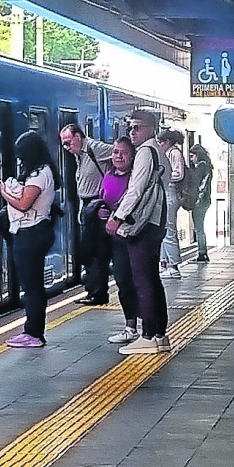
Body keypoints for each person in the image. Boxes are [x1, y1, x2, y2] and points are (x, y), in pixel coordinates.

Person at [107, 110, 170, 355]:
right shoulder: (158, 151)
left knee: (143, 281)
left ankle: (148, 336)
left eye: (137, 127)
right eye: (130, 127)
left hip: (143, 225)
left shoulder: (145, 151)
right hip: (155, 222)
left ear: (151, 129)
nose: (132, 132)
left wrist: (117, 217)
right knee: (153, 281)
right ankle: (160, 336)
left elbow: (136, 189)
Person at [0, 131, 60, 348]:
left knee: (32, 286)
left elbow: (24, 204)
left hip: (31, 232)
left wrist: (4, 192)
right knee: (33, 285)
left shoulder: (39, 175)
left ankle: (33, 333)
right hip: (35, 231)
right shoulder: (45, 171)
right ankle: (33, 330)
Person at [60, 123, 114, 305]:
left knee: (96, 251)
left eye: (68, 143)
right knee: (89, 251)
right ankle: (93, 290)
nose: (66, 148)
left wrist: (109, 194)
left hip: (96, 205)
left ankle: (98, 293)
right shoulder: (80, 154)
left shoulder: (95, 148)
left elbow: (121, 155)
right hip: (87, 206)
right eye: (64, 144)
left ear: (78, 136)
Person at [98, 136, 140, 345]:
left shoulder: (136, 177)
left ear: (132, 155)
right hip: (114, 237)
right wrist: (101, 212)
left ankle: (145, 325)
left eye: (123, 152)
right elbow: (102, 199)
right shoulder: (108, 176)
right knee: (123, 281)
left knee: (138, 281)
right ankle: (130, 326)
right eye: (115, 152)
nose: (118, 156)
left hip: (133, 235)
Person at [156, 129, 186, 279]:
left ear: (168, 142)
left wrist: (163, 175)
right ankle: (164, 262)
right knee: (163, 228)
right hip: (166, 193)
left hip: (170, 192)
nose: (160, 144)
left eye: (161, 142)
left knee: (169, 229)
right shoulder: (168, 153)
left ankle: (173, 265)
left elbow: (179, 173)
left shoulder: (174, 153)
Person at [189, 142, 213, 262]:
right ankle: (202, 252)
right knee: (200, 227)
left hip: (200, 201)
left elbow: (195, 182)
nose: (191, 159)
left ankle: (202, 253)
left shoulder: (201, 166)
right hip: (205, 200)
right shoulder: (207, 166)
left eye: (192, 156)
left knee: (199, 228)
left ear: (197, 155)